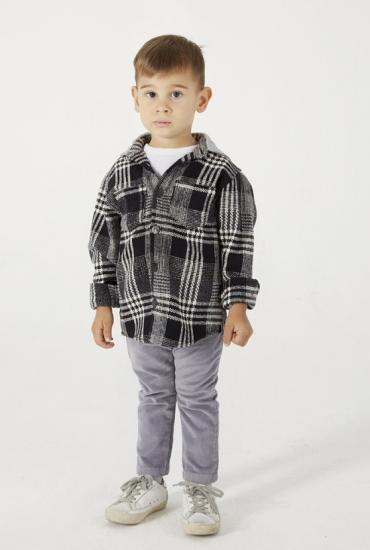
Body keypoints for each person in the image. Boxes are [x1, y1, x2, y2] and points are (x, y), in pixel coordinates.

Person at [88, 34, 260, 536]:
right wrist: (103, 303)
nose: (162, 105)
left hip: (199, 317)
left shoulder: (222, 175)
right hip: (141, 314)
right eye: (151, 93)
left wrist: (238, 305)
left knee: (198, 398)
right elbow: (103, 239)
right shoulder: (122, 172)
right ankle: (150, 480)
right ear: (135, 97)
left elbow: (237, 241)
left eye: (177, 93)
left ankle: (200, 487)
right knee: (153, 396)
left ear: (202, 99)